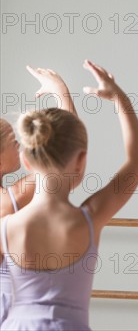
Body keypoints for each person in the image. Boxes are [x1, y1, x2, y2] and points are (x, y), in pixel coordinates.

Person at [0, 60, 138, 330]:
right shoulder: (89, 219)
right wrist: (119, 98)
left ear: (26, 161)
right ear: (81, 161)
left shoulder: (6, 229)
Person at [0, 66, 78, 324]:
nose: (20, 145)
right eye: (14, 142)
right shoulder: (10, 199)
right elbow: (65, 158)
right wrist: (62, 94)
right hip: (12, 304)